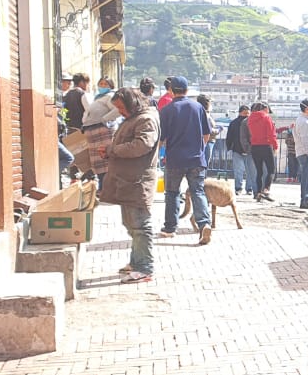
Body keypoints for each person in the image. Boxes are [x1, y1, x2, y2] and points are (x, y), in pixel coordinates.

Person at [99, 87, 161, 283]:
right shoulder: (134, 118)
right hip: (127, 181)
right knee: (131, 224)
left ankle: (144, 268)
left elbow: (142, 145)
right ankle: (136, 262)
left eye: (121, 108)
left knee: (140, 225)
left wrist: (113, 150)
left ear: (132, 104)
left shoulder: (146, 119)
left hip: (137, 181)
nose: (120, 112)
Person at [158, 76, 213, 245]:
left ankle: (170, 228)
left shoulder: (166, 110)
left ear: (171, 91)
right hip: (196, 159)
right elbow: (206, 134)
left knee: (172, 193)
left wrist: (158, 154)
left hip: (174, 159)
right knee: (198, 192)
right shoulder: (198, 107)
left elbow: (161, 138)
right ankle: (204, 224)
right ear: (187, 90)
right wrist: (200, 149)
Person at [82, 77, 121, 184]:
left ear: (111, 86)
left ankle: (107, 185)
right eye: (101, 84)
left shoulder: (110, 96)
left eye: (105, 84)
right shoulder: (97, 97)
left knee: (105, 159)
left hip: (103, 132)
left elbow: (117, 110)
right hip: (93, 132)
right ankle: (102, 185)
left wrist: (104, 119)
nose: (103, 86)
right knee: (97, 162)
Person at [247, 102, 278, 202]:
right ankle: (266, 190)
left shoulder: (250, 118)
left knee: (259, 171)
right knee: (271, 170)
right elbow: (271, 134)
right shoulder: (266, 117)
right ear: (264, 109)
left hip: (255, 146)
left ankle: (258, 193)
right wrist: (275, 146)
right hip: (266, 145)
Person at [225, 105, 255, 196]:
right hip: (241, 150)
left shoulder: (235, 123)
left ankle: (244, 188)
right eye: (246, 113)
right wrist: (229, 146)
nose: (247, 114)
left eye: (248, 113)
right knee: (245, 171)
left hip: (243, 150)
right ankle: (243, 188)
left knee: (244, 171)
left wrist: (229, 147)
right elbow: (229, 136)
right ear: (240, 112)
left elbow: (229, 137)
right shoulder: (236, 123)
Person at [195, 94, 220, 172]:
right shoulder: (204, 114)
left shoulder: (201, 112)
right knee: (203, 164)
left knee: (203, 163)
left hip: (206, 141)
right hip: (207, 141)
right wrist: (218, 130)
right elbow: (208, 130)